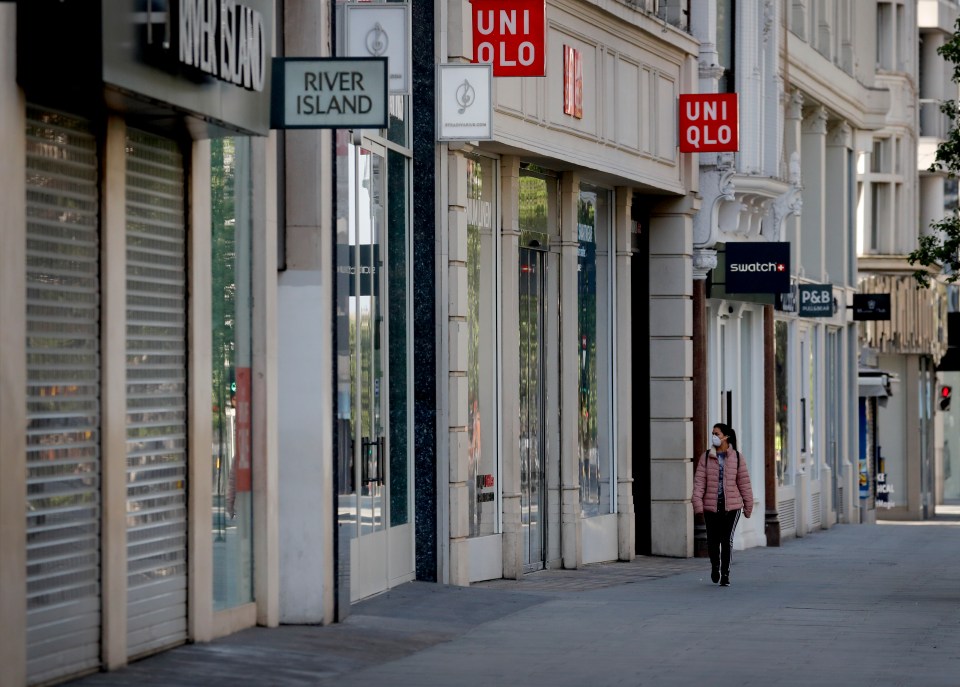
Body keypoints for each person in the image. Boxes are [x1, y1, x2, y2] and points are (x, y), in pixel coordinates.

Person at [692, 423, 754, 587]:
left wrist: (748, 507)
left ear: (726, 436)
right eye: (712, 433)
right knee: (712, 540)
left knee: (727, 540)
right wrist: (697, 503)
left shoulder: (737, 458)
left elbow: (744, 484)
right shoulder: (706, 457)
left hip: (731, 508)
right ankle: (715, 567)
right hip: (711, 507)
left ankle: (725, 573)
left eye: (716, 434)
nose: (713, 437)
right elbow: (699, 483)